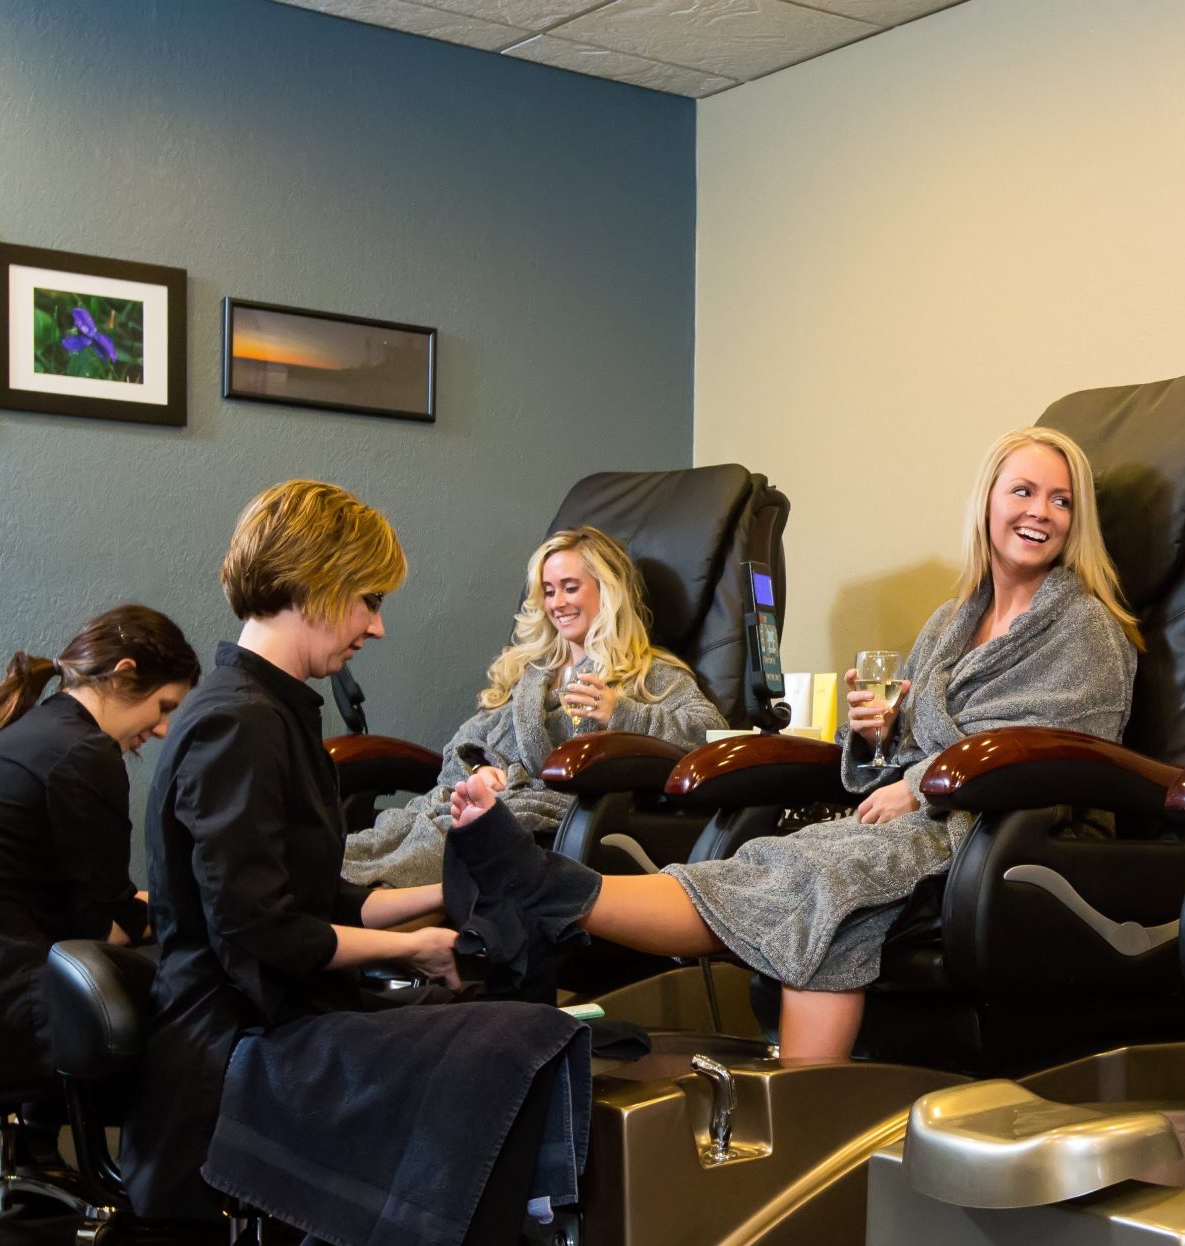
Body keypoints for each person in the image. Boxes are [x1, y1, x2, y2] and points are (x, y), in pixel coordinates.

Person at [444, 426, 1144, 1062]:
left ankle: (553, 892)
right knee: (776, 858)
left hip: (998, 834)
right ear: (987, 505)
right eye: (1023, 491)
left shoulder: (1086, 629)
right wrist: (874, 732)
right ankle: (556, 895)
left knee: (826, 883)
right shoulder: (950, 621)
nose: (1041, 512)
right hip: (920, 814)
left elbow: (1064, 749)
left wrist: (923, 777)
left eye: (1061, 501)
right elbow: (890, 746)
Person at [127, 479, 589, 1246]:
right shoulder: (237, 724)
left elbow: (318, 894)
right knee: (512, 1041)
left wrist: (456, 875)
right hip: (231, 1041)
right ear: (313, 585)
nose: (375, 627)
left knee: (503, 1021)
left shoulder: (268, 709)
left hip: (269, 1005)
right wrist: (411, 950)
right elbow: (259, 931)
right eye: (368, 600)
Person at [0, 604, 200, 1119]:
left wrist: (152, 905)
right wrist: (190, 911)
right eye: (165, 706)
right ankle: (170, 1186)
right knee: (195, 994)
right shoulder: (83, 753)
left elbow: (70, 901)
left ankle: (37, 1158)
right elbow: (103, 926)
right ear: (124, 675)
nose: (165, 730)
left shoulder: (28, 737)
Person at [342, 524, 722, 885]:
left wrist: (620, 712)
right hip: (498, 800)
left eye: (570, 587)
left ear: (607, 591)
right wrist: (480, 770)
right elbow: (469, 741)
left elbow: (711, 734)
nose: (557, 603)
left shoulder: (646, 672)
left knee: (440, 847)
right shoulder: (531, 675)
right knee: (396, 834)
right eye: (549, 591)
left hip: (571, 820)